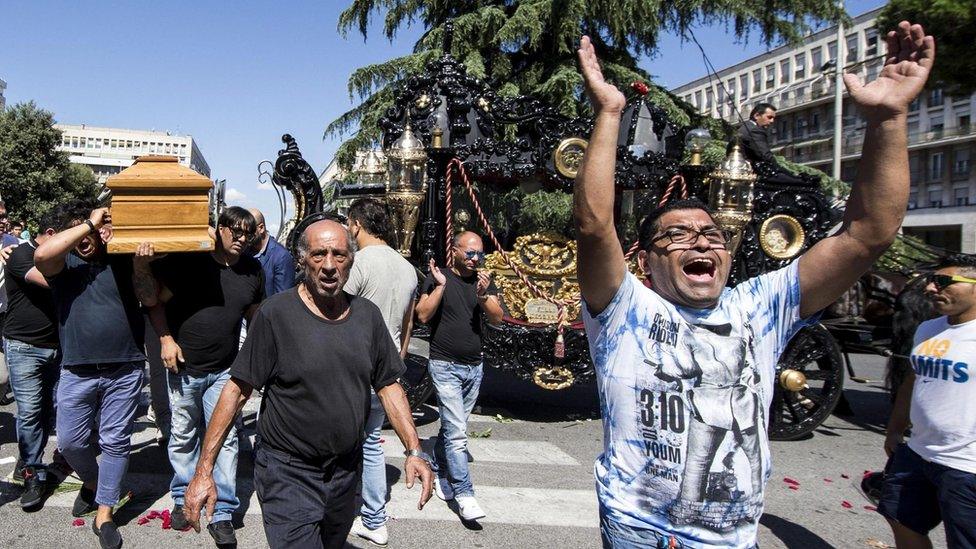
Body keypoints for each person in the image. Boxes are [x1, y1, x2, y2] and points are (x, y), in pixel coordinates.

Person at [574, 21, 933, 549]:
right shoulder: (625, 308)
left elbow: (867, 234)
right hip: (640, 531)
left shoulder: (762, 306)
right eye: (677, 236)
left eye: (712, 234)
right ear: (646, 263)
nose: (700, 243)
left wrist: (889, 118)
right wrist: (609, 113)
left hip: (732, 538)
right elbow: (593, 224)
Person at [183, 220, 433, 549]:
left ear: (351, 261)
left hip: (344, 472)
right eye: (319, 254)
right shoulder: (276, 313)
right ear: (303, 261)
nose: (329, 265)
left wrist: (414, 450)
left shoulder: (367, 316)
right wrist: (204, 470)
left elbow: (389, 386)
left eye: (339, 255)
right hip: (287, 472)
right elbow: (236, 390)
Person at [134, 206, 265, 545]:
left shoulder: (252, 270)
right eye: (234, 231)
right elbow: (152, 300)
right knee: (183, 434)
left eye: (247, 234)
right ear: (218, 229)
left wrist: (253, 360)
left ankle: (221, 512)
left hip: (226, 371)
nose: (240, 238)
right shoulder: (193, 261)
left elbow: (256, 318)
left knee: (226, 439)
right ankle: (182, 499)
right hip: (184, 368)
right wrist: (165, 339)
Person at [34, 199, 147, 549]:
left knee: (115, 441)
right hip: (77, 370)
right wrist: (88, 223)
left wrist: (141, 268)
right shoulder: (61, 265)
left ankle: (105, 513)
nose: (85, 237)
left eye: (91, 230)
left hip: (125, 367)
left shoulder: (122, 257)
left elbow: (149, 296)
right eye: (76, 228)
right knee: (70, 442)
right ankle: (98, 485)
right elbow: (40, 256)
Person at [879, 254, 976, 549]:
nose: (932, 288)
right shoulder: (928, 329)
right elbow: (913, 380)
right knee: (900, 518)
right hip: (917, 453)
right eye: (932, 281)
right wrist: (895, 429)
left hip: (966, 465)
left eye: (944, 281)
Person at [343, 198, 418, 546]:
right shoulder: (406, 267)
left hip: (352, 369)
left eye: (348, 224)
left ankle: (337, 509)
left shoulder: (359, 262)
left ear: (356, 224)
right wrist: (396, 364)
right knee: (371, 444)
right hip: (385, 374)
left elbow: (335, 311)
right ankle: (374, 517)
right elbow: (407, 326)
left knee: (339, 443)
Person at [415, 231, 503, 521]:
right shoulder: (438, 275)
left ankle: (439, 467)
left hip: (474, 366)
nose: (475, 259)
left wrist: (483, 295)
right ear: (454, 250)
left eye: (479, 254)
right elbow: (423, 315)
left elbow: (497, 317)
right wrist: (439, 287)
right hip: (444, 364)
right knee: (457, 434)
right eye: (469, 253)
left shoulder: (484, 281)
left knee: (455, 429)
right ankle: (465, 493)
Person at [3, 207, 62, 509]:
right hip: (23, 346)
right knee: (29, 411)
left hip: (56, 346)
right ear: (51, 235)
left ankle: (30, 461)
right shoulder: (21, 254)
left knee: (47, 412)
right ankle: (32, 474)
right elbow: (50, 281)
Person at [736, 103, 808, 186]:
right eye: (769, 117)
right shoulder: (755, 130)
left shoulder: (743, 128)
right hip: (754, 174)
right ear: (756, 116)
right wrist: (785, 172)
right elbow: (766, 156)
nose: (772, 121)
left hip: (743, 172)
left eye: (773, 118)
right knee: (802, 183)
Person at [0, 201, 24, 406]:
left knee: (3, 377)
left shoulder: (12, 242)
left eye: (4, 216)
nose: (4, 221)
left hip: (4, 316)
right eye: (0, 217)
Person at [248, 208, 295, 297]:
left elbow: (282, 298)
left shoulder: (281, 257)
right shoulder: (245, 252)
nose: (245, 236)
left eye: (249, 231)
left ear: (261, 228)